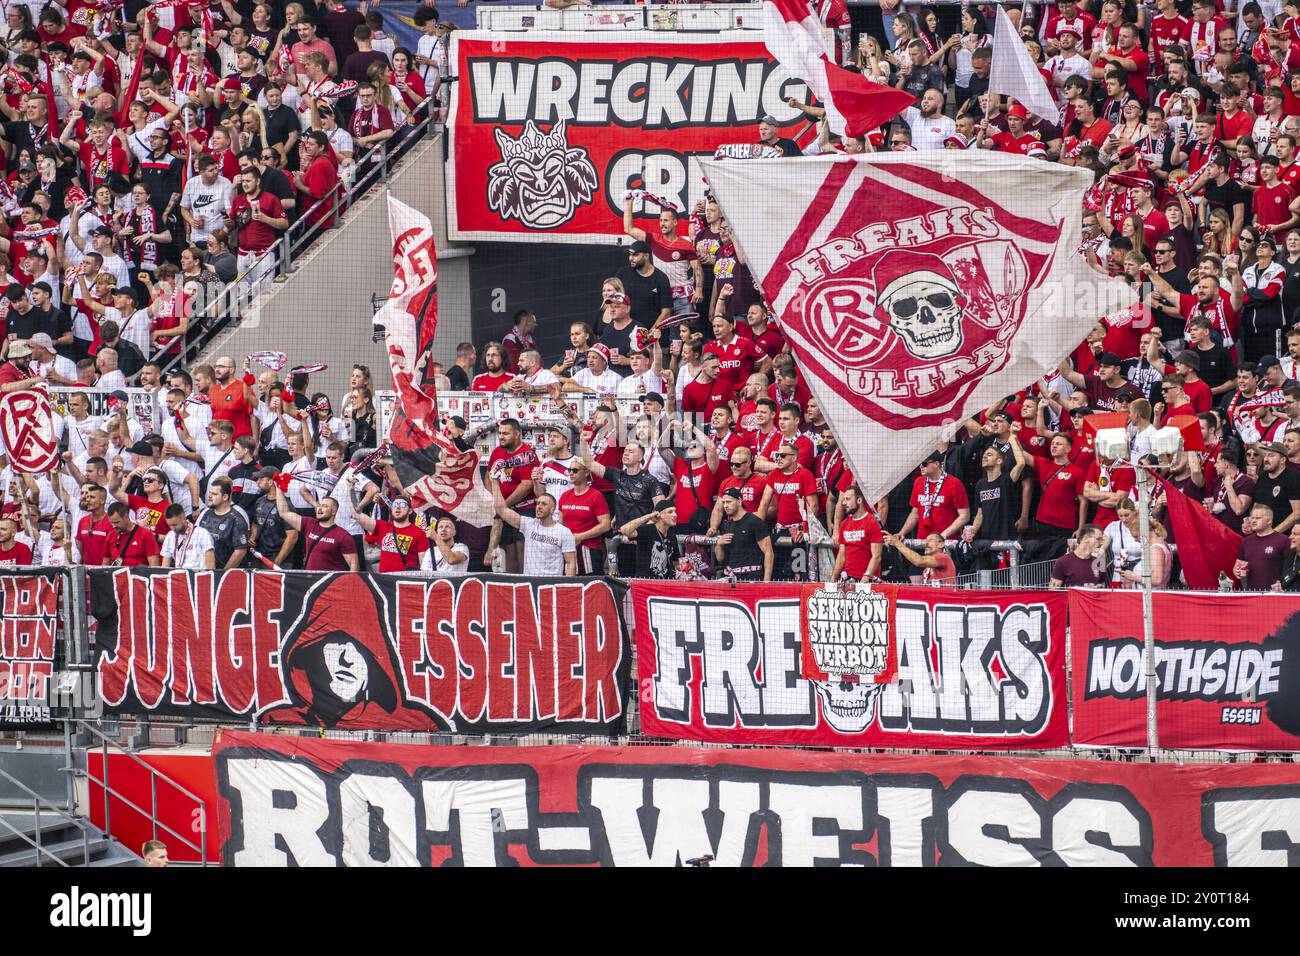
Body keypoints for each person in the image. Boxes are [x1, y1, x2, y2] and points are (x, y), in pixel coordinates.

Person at [490, 480, 576, 577]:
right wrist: (494, 481)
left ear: (552, 510)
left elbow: (571, 563)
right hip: (530, 583)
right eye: (538, 503)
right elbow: (502, 510)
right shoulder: (529, 524)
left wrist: (568, 589)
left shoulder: (564, 532)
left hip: (551, 585)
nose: (539, 506)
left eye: (543, 504)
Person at [273, 482, 359, 571]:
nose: (320, 508)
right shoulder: (309, 524)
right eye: (320, 505)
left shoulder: (343, 536)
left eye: (325, 506)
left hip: (330, 582)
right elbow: (284, 513)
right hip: (310, 580)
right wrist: (278, 487)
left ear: (334, 511)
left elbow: (354, 565)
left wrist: (349, 583)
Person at [354, 493, 430, 573]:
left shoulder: (419, 533)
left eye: (403, 505)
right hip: (384, 581)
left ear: (410, 511)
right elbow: (357, 515)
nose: (398, 507)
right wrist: (351, 490)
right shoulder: (382, 526)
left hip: (405, 581)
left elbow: (424, 565)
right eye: (395, 505)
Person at [714, 487, 774, 581]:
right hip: (731, 578)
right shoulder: (726, 525)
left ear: (739, 501)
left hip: (752, 577)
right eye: (724, 502)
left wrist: (766, 582)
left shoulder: (754, 521)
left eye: (729, 502)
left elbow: (768, 552)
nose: (725, 506)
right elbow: (720, 559)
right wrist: (719, 544)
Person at [195, 477, 251, 570]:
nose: (209, 496)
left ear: (225, 497)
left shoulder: (236, 519)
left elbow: (240, 551)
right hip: (203, 571)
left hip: (226, 574)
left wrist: (222, 574)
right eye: (210, 492)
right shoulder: (205, 513)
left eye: (214, 494)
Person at [831, 485, 883, 582]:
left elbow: (877, 556)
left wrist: (866, 577)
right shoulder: (844, 524)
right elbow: (841, 555)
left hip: (867, 580)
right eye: (844, 499)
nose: (843, 503)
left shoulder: (872, 522)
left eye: (848, 499)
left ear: (859, 500)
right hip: (847, 579)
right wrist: (833, 578)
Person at [620, 500, 682, 580]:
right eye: (670, 512)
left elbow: (676, 561)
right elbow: (624, 530)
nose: (675, 515)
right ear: (659, 515)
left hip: (665, 583)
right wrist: (649, 516)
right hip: (646, 582)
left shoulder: (672, 536)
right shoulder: (647, 530)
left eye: (675, 512)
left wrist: (686, 567)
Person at [1236, 503, 1290, 590]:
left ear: (1269, 521)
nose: (1253, 521)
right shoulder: (1246, 541)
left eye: (1258, 518)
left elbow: (1290, 568)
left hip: (1274, 595)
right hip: (1250, 593)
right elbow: (1237, 566)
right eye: (1252, 518)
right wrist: (1238, 571)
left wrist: (1283, 586)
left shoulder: (1283, 540)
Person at [103, 501, 162, 567]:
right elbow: (105, 563)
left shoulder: (145, 534)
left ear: (126, 516)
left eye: (117, 522)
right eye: (111, 523)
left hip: (138, 576)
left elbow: (154, 565)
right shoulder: (111, 536)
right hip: (116, 575)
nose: (114, 526)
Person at [159, 503, 216, 570]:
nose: (172, 528)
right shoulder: (170, 536)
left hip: (199, 578)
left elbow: (211, 569)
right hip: (179, 578)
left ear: (183, 518)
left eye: (175, 525)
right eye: (169, 525)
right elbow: (165, 568)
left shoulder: (202, 534)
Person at [884, 532, 957, 583]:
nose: (926, 543)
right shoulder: (928, 567)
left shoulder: (943, 557)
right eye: (925, 541)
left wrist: (897, 543)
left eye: (930, 540)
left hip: (944, 597)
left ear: (941, 544)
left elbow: (919, 561)